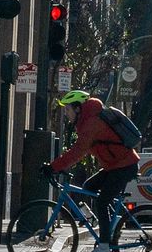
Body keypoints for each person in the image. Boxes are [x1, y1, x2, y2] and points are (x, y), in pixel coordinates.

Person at [43, 91, 140, 250]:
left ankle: (104, 244)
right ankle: (107, 223)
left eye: (67, 109)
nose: (66, 113)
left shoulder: (92, 123)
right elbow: (79, 151)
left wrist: (53, 167)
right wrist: (57, 166)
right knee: (89, 186)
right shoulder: (87, 120)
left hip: (124, 166)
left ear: (78, 108)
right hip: (114, 166)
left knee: (102, 202)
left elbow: (77, 151)